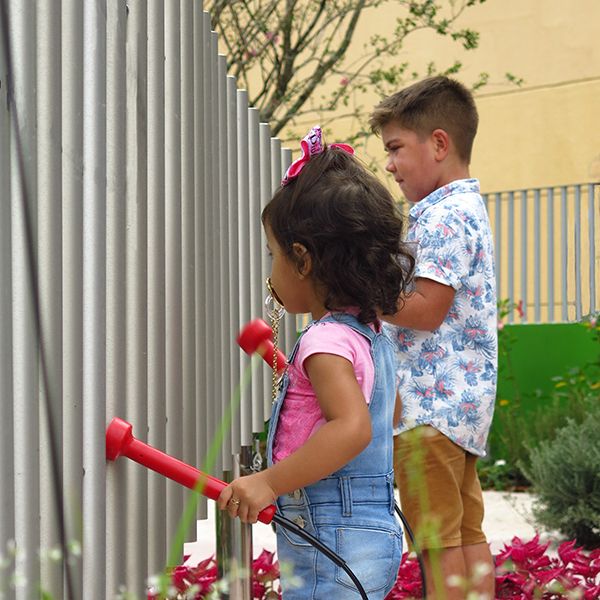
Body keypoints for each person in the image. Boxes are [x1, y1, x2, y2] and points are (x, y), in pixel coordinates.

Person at [217, 125, 415, 599]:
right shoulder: (370, 334)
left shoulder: (324, 341)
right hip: (368, 531)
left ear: (303, 259)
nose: (271, 271)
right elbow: (390, 414)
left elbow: (352, 428)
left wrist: (268, 481)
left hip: (331, 533)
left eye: (274, 255)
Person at [369, 75, 498, 600]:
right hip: (458, 411)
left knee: (434, 539)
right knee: (465, 531)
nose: (389, 164)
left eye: (397, 148)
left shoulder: (442, 216)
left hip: (428, 411)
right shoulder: (464, 209)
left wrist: (362, 291)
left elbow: (425, 309)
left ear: (439, 143)